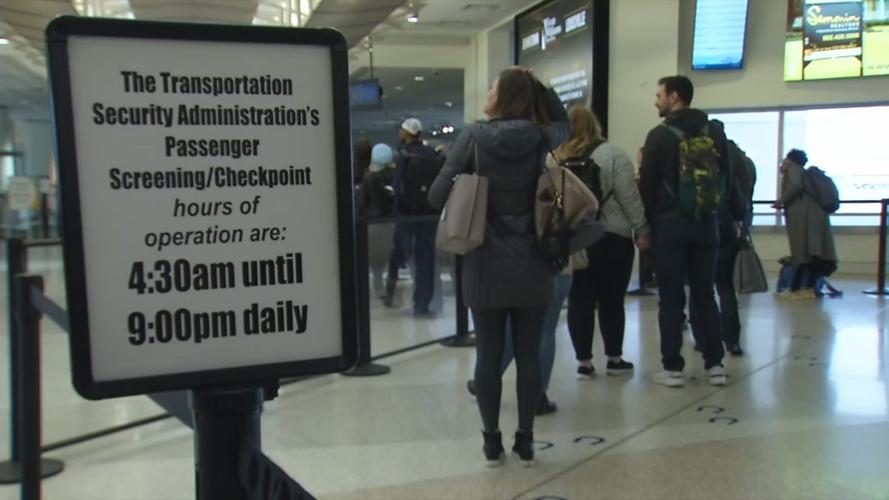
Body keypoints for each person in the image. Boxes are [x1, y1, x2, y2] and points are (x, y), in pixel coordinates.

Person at [428, 67, 569, 467]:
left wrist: (469, 185)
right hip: (535, 262)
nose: (488, 91)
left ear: (502, 97)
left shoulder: (473, 137)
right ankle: (525, 437)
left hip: (483, 262)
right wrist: (539, 83)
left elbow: (437, 195)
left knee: (488, 355)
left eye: (493, 86)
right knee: (527, 353)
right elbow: (564, 121)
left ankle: (492, 440)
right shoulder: (542, 137)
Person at [638, 75, 729, 388]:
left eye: (659, 94)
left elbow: (647, 185)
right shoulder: (714, 131)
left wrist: (643, 226)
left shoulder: (659, 136)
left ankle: (673, 368)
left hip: (669, 227)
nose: (656, 100)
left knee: (671, 298)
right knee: (705, 294)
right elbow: (727, 179)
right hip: (707, 224)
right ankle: (715, 364)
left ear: (674, 97)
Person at [558, 105, 649, 378]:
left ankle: (584, 362)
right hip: (612, 237)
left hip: (575, 238)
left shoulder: (557, 157)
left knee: (579, 298)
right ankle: (614, 358)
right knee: (612, 299)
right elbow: (628, 196)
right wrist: (641, 228)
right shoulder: (613, 154)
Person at [385, 118, 441, 316]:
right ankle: (424, 302)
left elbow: (397, 187)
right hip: (429, 215)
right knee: (427, 258)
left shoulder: (405, 155)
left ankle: (413, 300)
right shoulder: (431, 153)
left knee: (410, 258)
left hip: (408, 216)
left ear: (407, 133)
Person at [773, 149, 838, 299]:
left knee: (802, 253)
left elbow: (794, 187)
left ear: (791, 160)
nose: (782, 164)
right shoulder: (803, 172)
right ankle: (805, 288)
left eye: (785, 160)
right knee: (812, 253)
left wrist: (780, 201)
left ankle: (798, 289)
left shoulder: (794, 171)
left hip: (803, 217)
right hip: (812, 217)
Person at [358, 143, 397, 297]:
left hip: (373, 223)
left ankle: (378, 284)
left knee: (375, 258)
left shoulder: (368, 177)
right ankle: (387, 287)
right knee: (389, 254)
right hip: (391, 221)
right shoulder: (394, 175)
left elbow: (362, 202)